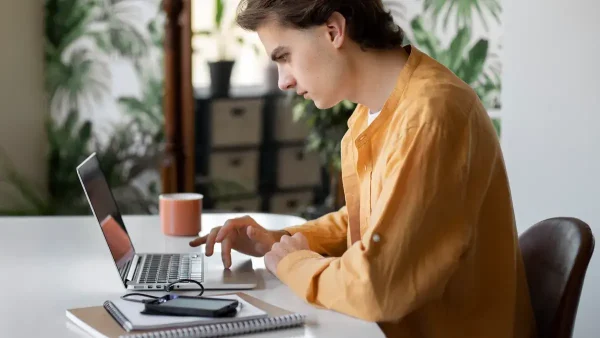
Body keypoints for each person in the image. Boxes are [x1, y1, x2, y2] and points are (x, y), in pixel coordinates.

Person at [190, 1, 537, 337]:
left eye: (285, 56)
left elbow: (378, 287)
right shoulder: (373, 113)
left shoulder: (430, 115)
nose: (283, 81)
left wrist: (292, 264)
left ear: (333, 30)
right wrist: (277, 243)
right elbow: (371, 221)